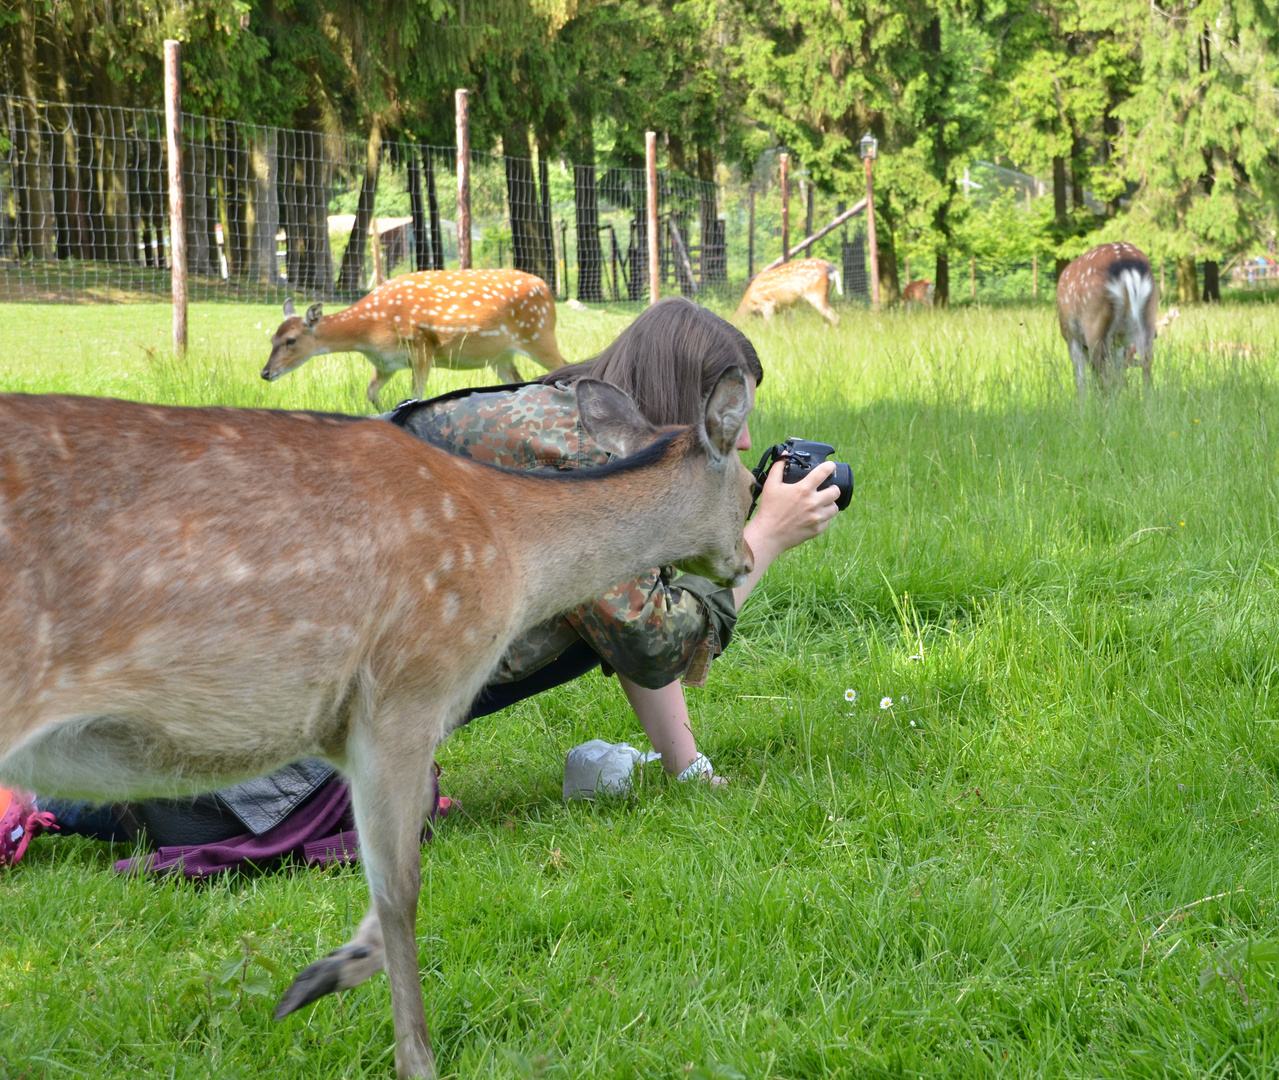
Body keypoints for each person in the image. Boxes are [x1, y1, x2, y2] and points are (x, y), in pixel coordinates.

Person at [0, 298, 842, 875]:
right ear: (682, 405)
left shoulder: (572, 422)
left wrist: (685, 769)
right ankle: (32, 801)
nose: (734, 453)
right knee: (156, 792)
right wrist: (761, 538)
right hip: (256, 731)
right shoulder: (581, 465)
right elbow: (656, 636)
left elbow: (627, 623)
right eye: (723, 429)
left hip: (242, 656)